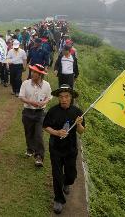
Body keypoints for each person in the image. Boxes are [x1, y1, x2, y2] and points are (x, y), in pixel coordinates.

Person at [42, 84, 85, 214]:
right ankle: (58, 200)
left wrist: (78, 124)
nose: (64, 99)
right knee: (57, 175)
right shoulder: (53, 111)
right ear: (58, 98)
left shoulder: (77, 112)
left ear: (71, 97)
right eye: (61, 97)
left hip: (71, 148)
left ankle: (67, 182)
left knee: (71, 175)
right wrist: (56, 133)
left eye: (66, 96)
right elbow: (45, 126)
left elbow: (82, 131)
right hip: (56, 147)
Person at [19, 64, 52, 167]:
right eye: (32, 71)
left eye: (35, 72)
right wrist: (30, 102)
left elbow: (49, 97)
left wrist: (44, 102)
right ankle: (30, 149)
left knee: (38, 134)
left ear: (40, 74)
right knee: (28, 133)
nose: (32, 73)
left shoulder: (46, 85)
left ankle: (39, 156)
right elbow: (21, 97)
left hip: (40, 113)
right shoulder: (26, 83)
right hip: (27, 111)